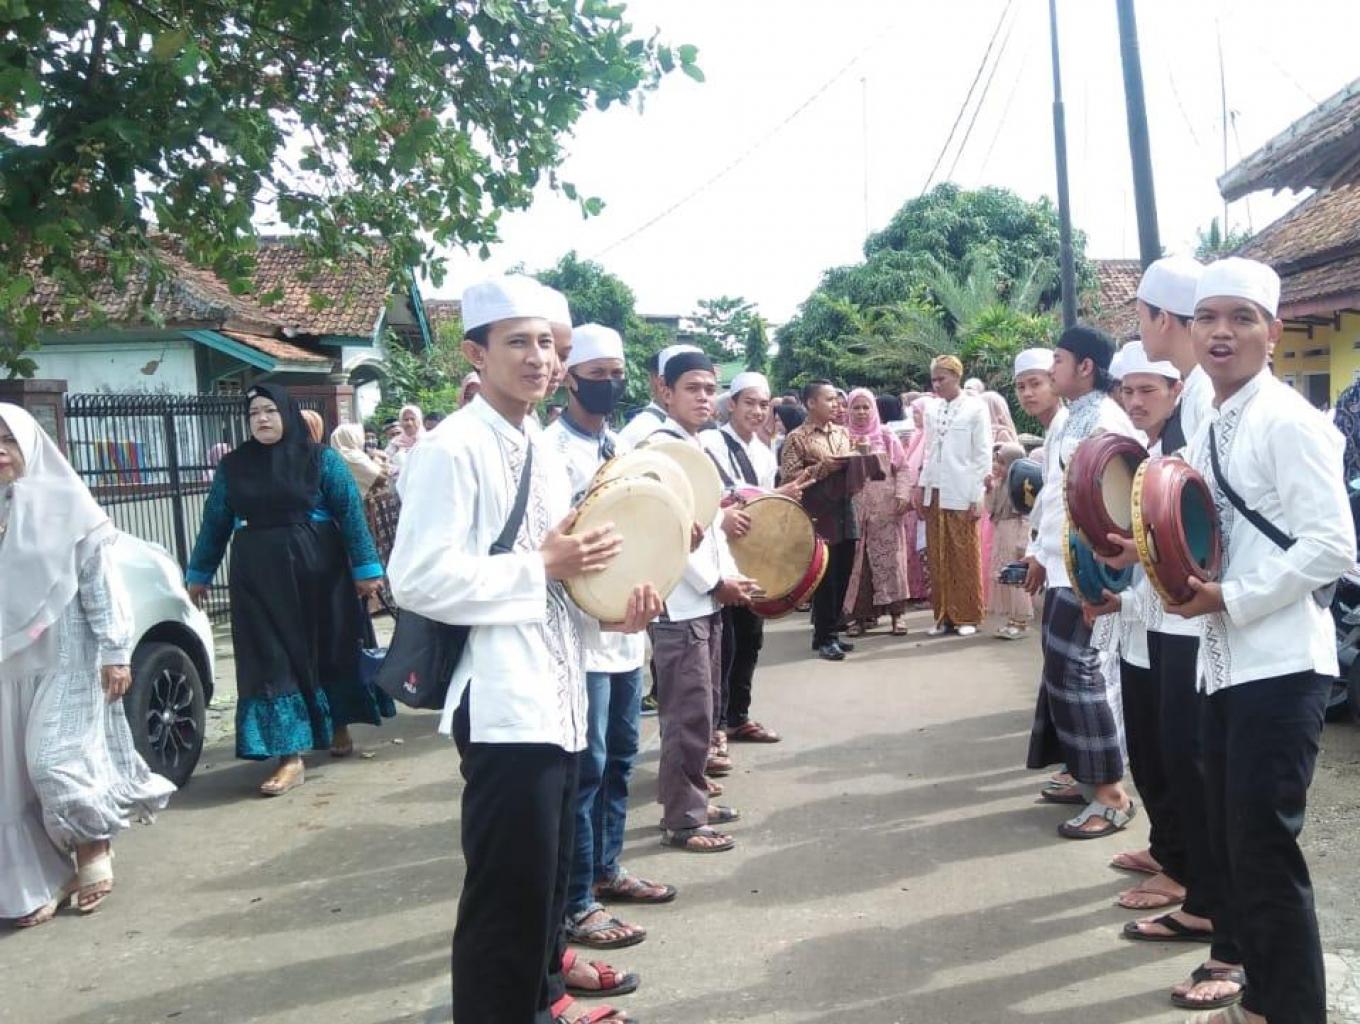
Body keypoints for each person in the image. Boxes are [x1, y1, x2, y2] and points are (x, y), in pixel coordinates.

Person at [388, 277, 660, 1024]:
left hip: (559, 691)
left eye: (547, 343)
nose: (538, 358)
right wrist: (538, 566)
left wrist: (617, 614)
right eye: (518, 342)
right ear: (475, 353)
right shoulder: (454, 448)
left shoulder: (533, 442)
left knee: (545, 876)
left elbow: (563, 575)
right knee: (505, 894)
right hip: (506, 702)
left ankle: (544, 996)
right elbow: (414, 578)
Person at [1170, 258, 1352, 1022]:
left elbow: (1332, 546)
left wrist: (1232, 597)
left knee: (1265, 855)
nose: (1222, 331)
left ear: (1273, 333)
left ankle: (1292, 1012)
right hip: (1226, 664)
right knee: (1233, 845)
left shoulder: (1291, 421)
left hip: (1281, 668)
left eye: (1241, 317)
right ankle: (1261, 1003)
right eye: (1208, 316)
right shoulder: (1211, 418)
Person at [1, 404, 175, 927]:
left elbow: (101, 583)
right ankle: (39, 879)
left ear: (29, 445)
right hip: (10, 662)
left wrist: (117, 651)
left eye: (6, 440)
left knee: (52, 762)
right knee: (12, 782)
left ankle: (93, 845)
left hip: (70, 659)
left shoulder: (69, 505)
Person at [544, 323, 677, 955]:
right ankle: (574, 901)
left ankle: (607, 868)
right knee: (586, 767)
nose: (610, 384)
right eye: (597, 374)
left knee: (622, 757)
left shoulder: (623, 448)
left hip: (627, 632)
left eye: (618, 373)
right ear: (568, 378)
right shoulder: (549, 452)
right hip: (578, 634)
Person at [186, 385, 389, 795]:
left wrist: (367, 569)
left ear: (288, 414)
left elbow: (350, 514)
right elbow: (215, 522)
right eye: (254, 412)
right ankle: (289, 755)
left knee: (327, 647)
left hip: (321, 570)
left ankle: (339, 725)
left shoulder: (321, 460)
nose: (261, 419)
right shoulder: (234, 466)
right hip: (257, 576)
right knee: (269, 659)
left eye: (269, 411)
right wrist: (199, 573)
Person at [1024, 326, 1139, 839]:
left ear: (1086, 366)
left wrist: (1096, 579)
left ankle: (1111, 794)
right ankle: (1080, 769)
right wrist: (1036, 552)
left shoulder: (1109, 422)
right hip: (1058, 562)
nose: (1052, 369)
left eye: (1059, 360)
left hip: (1084, 567)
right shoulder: (1071, 417)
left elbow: (1115, 504)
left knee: (1079, 675)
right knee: (1060, 673)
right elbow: (1053, 492)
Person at [648, 350, 757, 852]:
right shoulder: (658, 448)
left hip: (705, 602)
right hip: (682, 603)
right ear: (663, 391)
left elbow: (710, 527)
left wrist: (726, 580)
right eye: (693, 388)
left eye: (710, 389)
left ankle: (691, 798)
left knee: (704, 708)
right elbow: (665, 534)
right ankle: (684, 818)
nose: (704, 398)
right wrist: (715, 583)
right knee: (687, 713)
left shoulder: (692, 444)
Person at [702, 371, 810, 744]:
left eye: (764, 404)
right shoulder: (710, 443)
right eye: (749, 402)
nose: (758, 411)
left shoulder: (763, 450)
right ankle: (714, 727)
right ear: (731, 404)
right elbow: (713, 499)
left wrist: (783, 495)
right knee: (723, 644)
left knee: (750, 638)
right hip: (720, 557)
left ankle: (737, 717)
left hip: (753, 557)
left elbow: (760, 501)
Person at [780, 380, 864, 661]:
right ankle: (824, 635)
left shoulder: (842, 433)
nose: (836, 405)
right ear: (811, 403)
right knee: (824, 576)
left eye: (837, 400)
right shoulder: (797, 438)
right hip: (819, 512)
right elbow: (789, 479)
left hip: (846, 508)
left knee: (843, 572)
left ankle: (833, 632)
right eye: (829, 400)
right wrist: (823, 468)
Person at [915, 355, 991, 637]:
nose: (936, 385)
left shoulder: (975, 408)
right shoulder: (932, 410)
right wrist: (921, 485)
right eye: (933, 379)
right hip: (935, 489)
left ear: (957, 377)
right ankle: (944, 616)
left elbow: (982, 453)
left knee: (963, 553)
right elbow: (928, 450)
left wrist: (978, 495)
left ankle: (968, 615)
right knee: (937, 554)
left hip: (963, 489)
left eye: (941, 379)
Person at [843, 388, 912, 636]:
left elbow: (902, 468)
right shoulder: (843, 436)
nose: (861, 413)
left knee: (891, 561)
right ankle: (859, 618)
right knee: (858, 564)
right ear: (848, 410)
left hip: (885, 509)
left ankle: (897, 616)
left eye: (866, 407)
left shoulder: (885, 435)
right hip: (854, 511)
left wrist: (903, 495)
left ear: (873, 409)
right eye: (856, 407)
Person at [986, 441, 1032, 639]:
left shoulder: (1023, 486)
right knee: (1004, 576)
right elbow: (991, 508)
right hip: (1002, 533)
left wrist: (1023, 543)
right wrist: (989, 488)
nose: (997, 466)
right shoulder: (1001, 485)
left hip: (1014, 533)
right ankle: (1011, 620)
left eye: (1002, 463)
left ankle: (1021, 622)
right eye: (996, 461)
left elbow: (1027, 516)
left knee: (1016, 577)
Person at [617, 345, 699, 447]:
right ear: (660, 383)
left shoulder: (695, 433)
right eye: (691, 387)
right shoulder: (643, 433)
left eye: (708, 389)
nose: (701, 396)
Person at [900, 396, 935, 604]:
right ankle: (916, 589)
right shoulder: (917, 437)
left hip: (924, 500)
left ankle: (927, 590)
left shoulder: (930, 439)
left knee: (923, 545)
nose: (914, 417)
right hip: (913, 500)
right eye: (912, 412)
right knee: (915, 545)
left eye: (918, 413)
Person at [385, 404, 425, 479]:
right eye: (406, 420)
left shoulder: (427, 440)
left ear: (419, 421)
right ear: (401, 422)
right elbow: (386, 464)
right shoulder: (395, 443)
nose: (409, 423)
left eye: (413, 419)